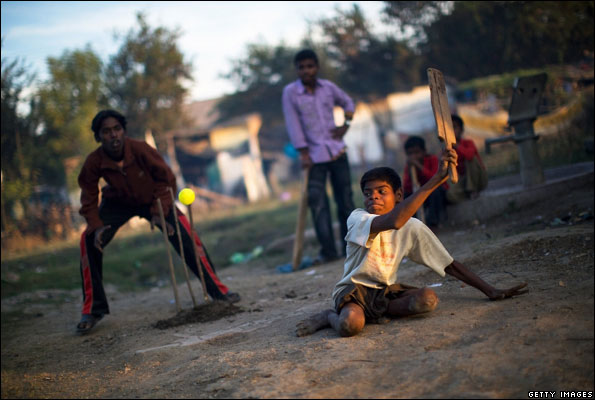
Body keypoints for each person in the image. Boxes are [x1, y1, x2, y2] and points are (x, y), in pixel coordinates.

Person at [296, 150, 528, 338]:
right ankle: (329, 316)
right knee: (350, 326)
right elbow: (395, 220)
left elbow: (448, 264)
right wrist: (436, 179)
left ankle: (378, 311)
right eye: (368, 193)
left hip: (384, 293)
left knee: (428, 300)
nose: (373, 197)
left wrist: (490, 290)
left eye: (381, 191)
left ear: (398, 196)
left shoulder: (413, 227)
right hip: (354, 292)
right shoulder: (358, 218)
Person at [76, 109, 240, 334]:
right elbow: (88, 195)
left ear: (123, 131)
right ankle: (93, 309)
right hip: (118, 203)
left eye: (117, 129)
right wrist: (95, 225)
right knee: (88, 241)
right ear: (98, 137)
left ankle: (218, 290)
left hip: (153, 198)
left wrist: (158, 210)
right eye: (106, 132)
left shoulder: (140, 148)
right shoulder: (94, 161)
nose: (113, 135)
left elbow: (167, 178)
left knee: (184, 232)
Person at [282, 49, 356, 264]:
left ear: (317, 67)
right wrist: (303, 152)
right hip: (313, 157)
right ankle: (329, 252)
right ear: (297, 70)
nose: (306, 70)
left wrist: (346, 125)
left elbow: (348, 103)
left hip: (337, 152)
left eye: (310, 66)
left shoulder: (328, 88)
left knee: (346, 201)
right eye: (301, 67)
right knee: (318, 204)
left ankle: (350, 247)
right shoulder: (290, 92)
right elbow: (292, 123)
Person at [401, 136, 447, 229]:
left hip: (435, 191)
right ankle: (412, 225)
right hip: (420, 194)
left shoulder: (432, 159)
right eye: (410, 154)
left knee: (435, 192)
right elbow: (407, 186)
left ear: (424, 151)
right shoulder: (409, 166)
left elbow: (435, 178)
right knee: (406, 197)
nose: (414, 156)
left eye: (417, 152)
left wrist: (419, 166)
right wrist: (411, 172)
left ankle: (433, 223)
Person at [447, 114, 488, 204]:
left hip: (478, 179)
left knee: (471, 159)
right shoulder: (447, 150)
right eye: (448, 129)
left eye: (454, 127)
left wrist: (457, 146)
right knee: (450, 195)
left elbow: (469, 156)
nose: (451, 131)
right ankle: (467, 195)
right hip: (463, 181)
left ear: (461, 130)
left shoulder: (468, 143)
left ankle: (472, 190)